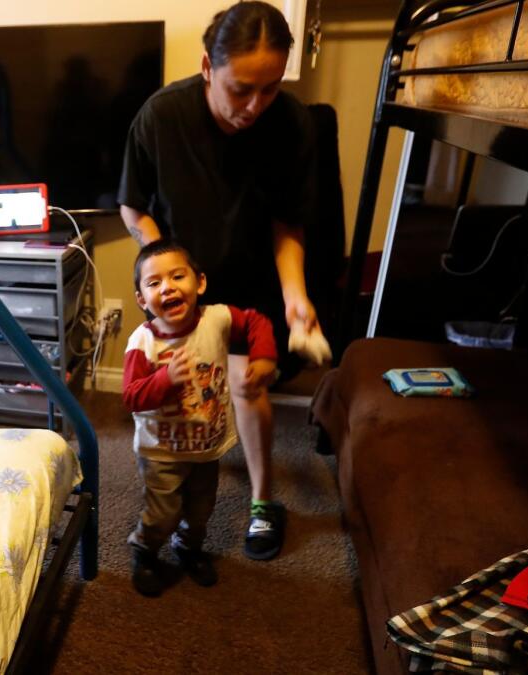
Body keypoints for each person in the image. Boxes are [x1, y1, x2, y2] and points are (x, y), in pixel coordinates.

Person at [118, 0, 323, 560]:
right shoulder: (161, 116)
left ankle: (262, 501)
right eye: (240, 90)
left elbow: (288, 224)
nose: (254, 106)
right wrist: (163, 268)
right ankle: (178, 474)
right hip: (182, 285)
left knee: (247, 383)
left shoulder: (292, 124)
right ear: (208, 66)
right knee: (176, 384)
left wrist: (295, 298)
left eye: (270, 88)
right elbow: (134, 209)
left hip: (251, 273)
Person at [122, 240, 277, 596]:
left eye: (178, 276)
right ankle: (145, 550)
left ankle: (188, 548)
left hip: (207, 445)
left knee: (201, 508)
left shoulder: (217, 319)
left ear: (200, 283)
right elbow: (131, 396)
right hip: (161, 450)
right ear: (142, 300)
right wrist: (164, 379)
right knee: (163, 512)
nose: (168, 287)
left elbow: (255, 322)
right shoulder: (142, 343)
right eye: (155, 282)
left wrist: (264, 356)